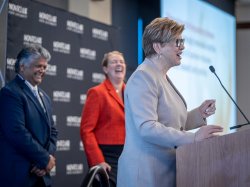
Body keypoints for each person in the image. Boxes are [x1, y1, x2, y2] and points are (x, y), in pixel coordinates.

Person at [117, 17, 223, 187]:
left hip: (164, 170)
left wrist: (198, 114)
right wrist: (193, 138)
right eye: (177, 42)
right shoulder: (143, 77)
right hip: (144, 174)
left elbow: (170, 124)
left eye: (182, 41)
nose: (183, 47)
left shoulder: (160, 76)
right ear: (158, 46)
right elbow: (147, 128)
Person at [0, 44, 58, 187]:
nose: (42, 70)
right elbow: (16, 132)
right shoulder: (10, 92)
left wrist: (45, 161)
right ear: (22, 67)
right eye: (38, 66)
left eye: (45, 67)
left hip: (42, 176)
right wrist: (44, 159)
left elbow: (53, 132)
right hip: (20, 175)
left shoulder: (45, 97)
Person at [80, 51, 126, 187]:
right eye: (114, 61)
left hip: (128, 155)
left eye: (121, 61)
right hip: (107, 156)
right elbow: (86, 131)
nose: (119, 64)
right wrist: (97, 161)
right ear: (105, 69)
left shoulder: (132, 93)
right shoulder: (97, 93)